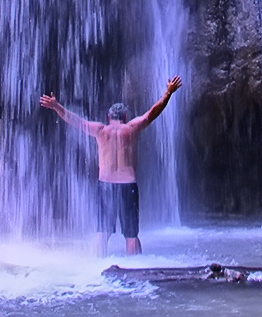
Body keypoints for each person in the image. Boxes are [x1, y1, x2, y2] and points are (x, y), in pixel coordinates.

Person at [40, 75, 182, 256]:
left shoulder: (100, 130)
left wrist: (55, 106)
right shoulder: (132, 128)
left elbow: (75, 121)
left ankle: (99, 271)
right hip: (128, 185)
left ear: (109, 117)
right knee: (131, 235)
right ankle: (136, 273)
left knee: (103, 233)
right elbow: (153, 112)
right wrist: (167, 93)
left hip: (105, 185)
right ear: (126, 116)